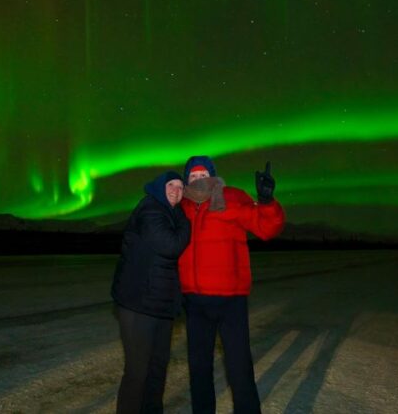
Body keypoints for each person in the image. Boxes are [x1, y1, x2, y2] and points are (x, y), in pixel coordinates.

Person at [178, 156, 285, 414]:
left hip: (230, 300)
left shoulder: (232, 197)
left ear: (213, 176)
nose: (198, 180)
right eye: (193, 176)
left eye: (203, 175)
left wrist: (267, 202)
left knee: (238, 367)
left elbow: (266, 228)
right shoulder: (181, 207)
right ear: (186, 180)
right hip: (194, 301)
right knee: (199, 369)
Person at [111, 171, 192, 413]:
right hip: (138, 304)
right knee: (138, 371)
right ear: (159, 187)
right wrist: (187, 222)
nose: (176, 190)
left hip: (160, 304)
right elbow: (170, 245)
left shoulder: (171, 212)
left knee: (157, 368)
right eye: (171, 185)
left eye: (180, 187)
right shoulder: (151, 209)